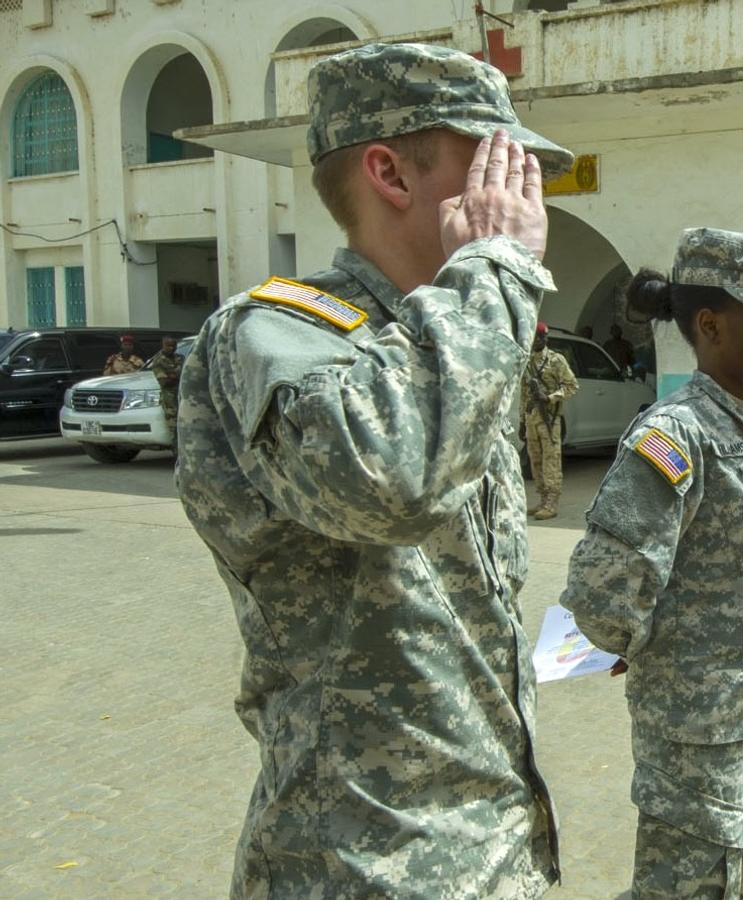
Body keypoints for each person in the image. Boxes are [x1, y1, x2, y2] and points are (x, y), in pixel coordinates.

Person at [173, 42, 574, 898]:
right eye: (497, 164)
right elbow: (393, 480)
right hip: (363, 862)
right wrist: (496, 269)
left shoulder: (450, 342)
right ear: (390, 173)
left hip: (491, 841)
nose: (527, 195)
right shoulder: (274, 333)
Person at [561, 228, 743, 899]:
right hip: (696, 733)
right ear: (710, 325)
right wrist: (638, 643)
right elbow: (601, 595)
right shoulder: (674, 437)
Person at [523, 322, 579, 519]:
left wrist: (550, 398)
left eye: (542, 337)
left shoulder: (556, 360)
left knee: (551, 460)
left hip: (550, 419)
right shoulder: (527, 361)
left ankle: (552, 503)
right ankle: (542, 499)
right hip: (532, 418)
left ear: (546, 339)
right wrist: (524, 417)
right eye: (536, 337)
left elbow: (572, 386)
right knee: (535, 460)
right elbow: (524, 391)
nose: (539, 340)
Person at [146, 336, 183, 440]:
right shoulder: (158, 360)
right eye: (168, 345)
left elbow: (187, 374)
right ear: (163, 345)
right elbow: (164, 382)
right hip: (170, 401)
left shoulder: (180, 357)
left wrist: (173, 375)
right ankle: (177, 453)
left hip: (182, 398)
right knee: (174, 430)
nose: (171, 348)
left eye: (173, 346)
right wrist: (177, 375)